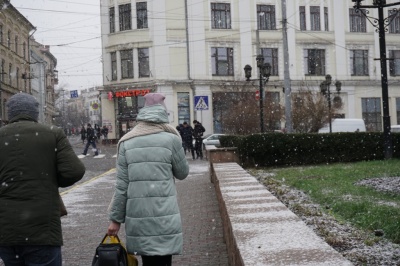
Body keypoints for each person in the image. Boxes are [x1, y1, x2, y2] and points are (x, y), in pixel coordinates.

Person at [0, 93, 86, 266]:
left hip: (5, 228)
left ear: (10, 113)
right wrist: (51, 180)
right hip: (43, 228)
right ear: (35, 113)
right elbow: (74, 171)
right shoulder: (53, 133)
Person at [107, 93, 189, 266]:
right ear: (163, 113)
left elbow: (122, 186)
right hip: (164, 216)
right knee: (163, 261)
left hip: (138, 218)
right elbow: (182, 173)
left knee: (147, 261)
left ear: (143, 114)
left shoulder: (126, 142)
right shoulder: (172, 139)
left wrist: (115, 220)